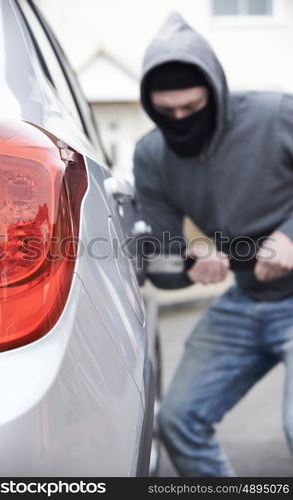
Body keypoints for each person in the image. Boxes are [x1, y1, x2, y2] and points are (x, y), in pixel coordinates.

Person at [133, 11, 293, 477]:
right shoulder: (151, 155)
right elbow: (163, 250)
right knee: (177, 421)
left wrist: (289, 235)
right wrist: (190, 261)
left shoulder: (277, 116)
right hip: (244, 299)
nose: (180, 121)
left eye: (192, 108)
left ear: (215, 94)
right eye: (167, 113)